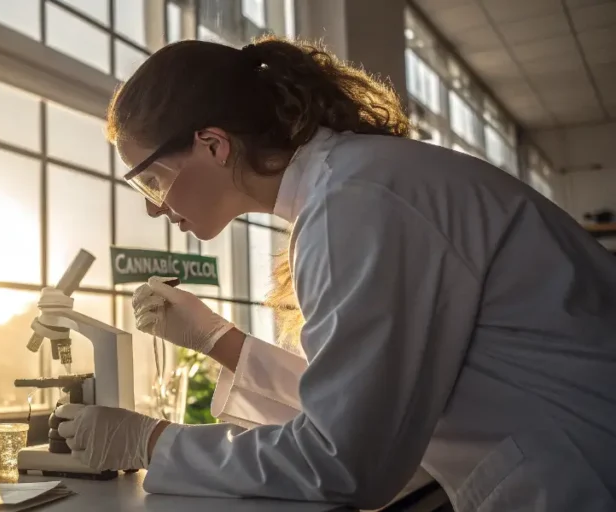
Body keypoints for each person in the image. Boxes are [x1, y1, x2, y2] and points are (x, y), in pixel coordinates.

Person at [55, 35, 616, 512]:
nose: (153, 207)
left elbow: (347, 461)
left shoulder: (356, 202)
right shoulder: (351, 185)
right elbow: (364, 401)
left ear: (213, 144)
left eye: (150, 181)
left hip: (581, 475)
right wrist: (219, 340)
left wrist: (152, 441)